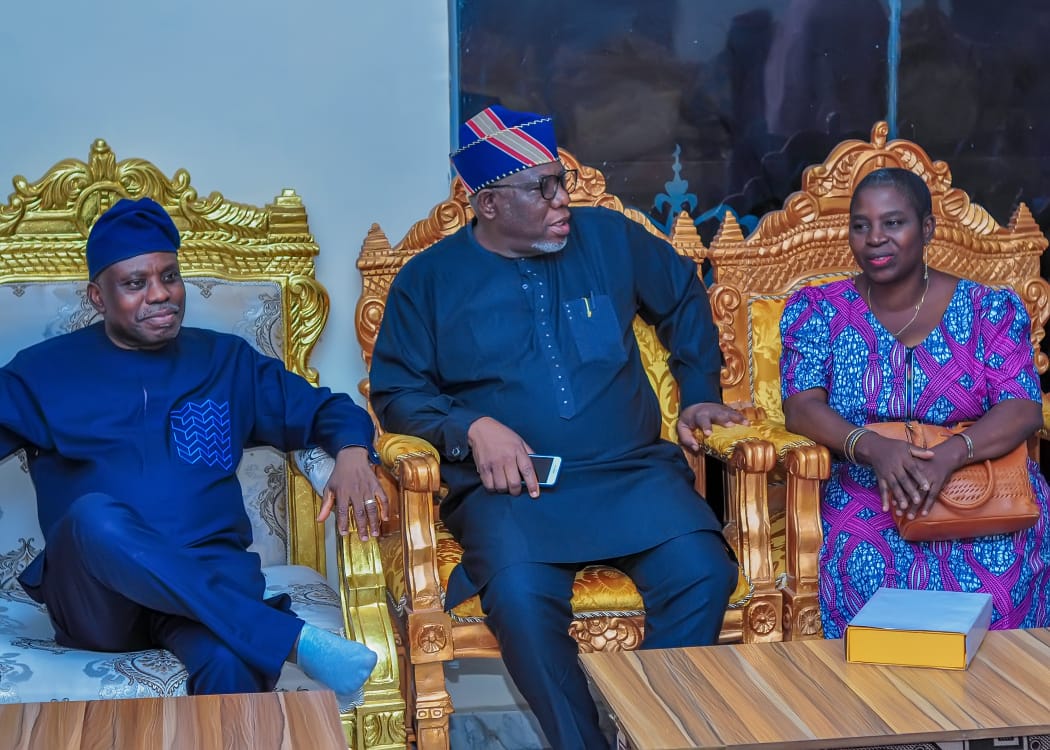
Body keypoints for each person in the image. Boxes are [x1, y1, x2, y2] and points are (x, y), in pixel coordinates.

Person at [369, 105, 743, 750]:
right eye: (540, 188)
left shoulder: (610, 238)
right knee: (518, 598)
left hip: (631, 474)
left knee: (704, 572)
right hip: (515, 492)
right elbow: (398, 392)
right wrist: (470, 426)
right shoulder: (427, 281)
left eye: (559, 181)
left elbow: (684, 296)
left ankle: (646, 732)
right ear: (488, 203)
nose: (561, 199)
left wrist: (700, 394)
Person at [1, 197, 388, 698]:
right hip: (98, 600)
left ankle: (259, 641)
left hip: (208, 576)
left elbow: (326, 409)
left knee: (232, 660)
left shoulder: (226, 361)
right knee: (92, 517)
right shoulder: (43, 371)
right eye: (135, 284)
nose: (160, 294)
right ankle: (290, 639)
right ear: (98, 297)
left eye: (169, 276)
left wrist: (353, 452)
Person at [780, 167, 1050, 638]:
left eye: (893, 222)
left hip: (980, 487)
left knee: (1001, 570)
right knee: (866, 569)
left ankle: (997, 689)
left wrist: (951, 455)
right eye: (861, 225)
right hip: (871, 490)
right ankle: (880, 691)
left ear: (926, 229)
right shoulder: (819, 309)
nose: (874, 238)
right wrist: (872, 448)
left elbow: (1023, 407)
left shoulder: (989, 309)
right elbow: (800, 406)